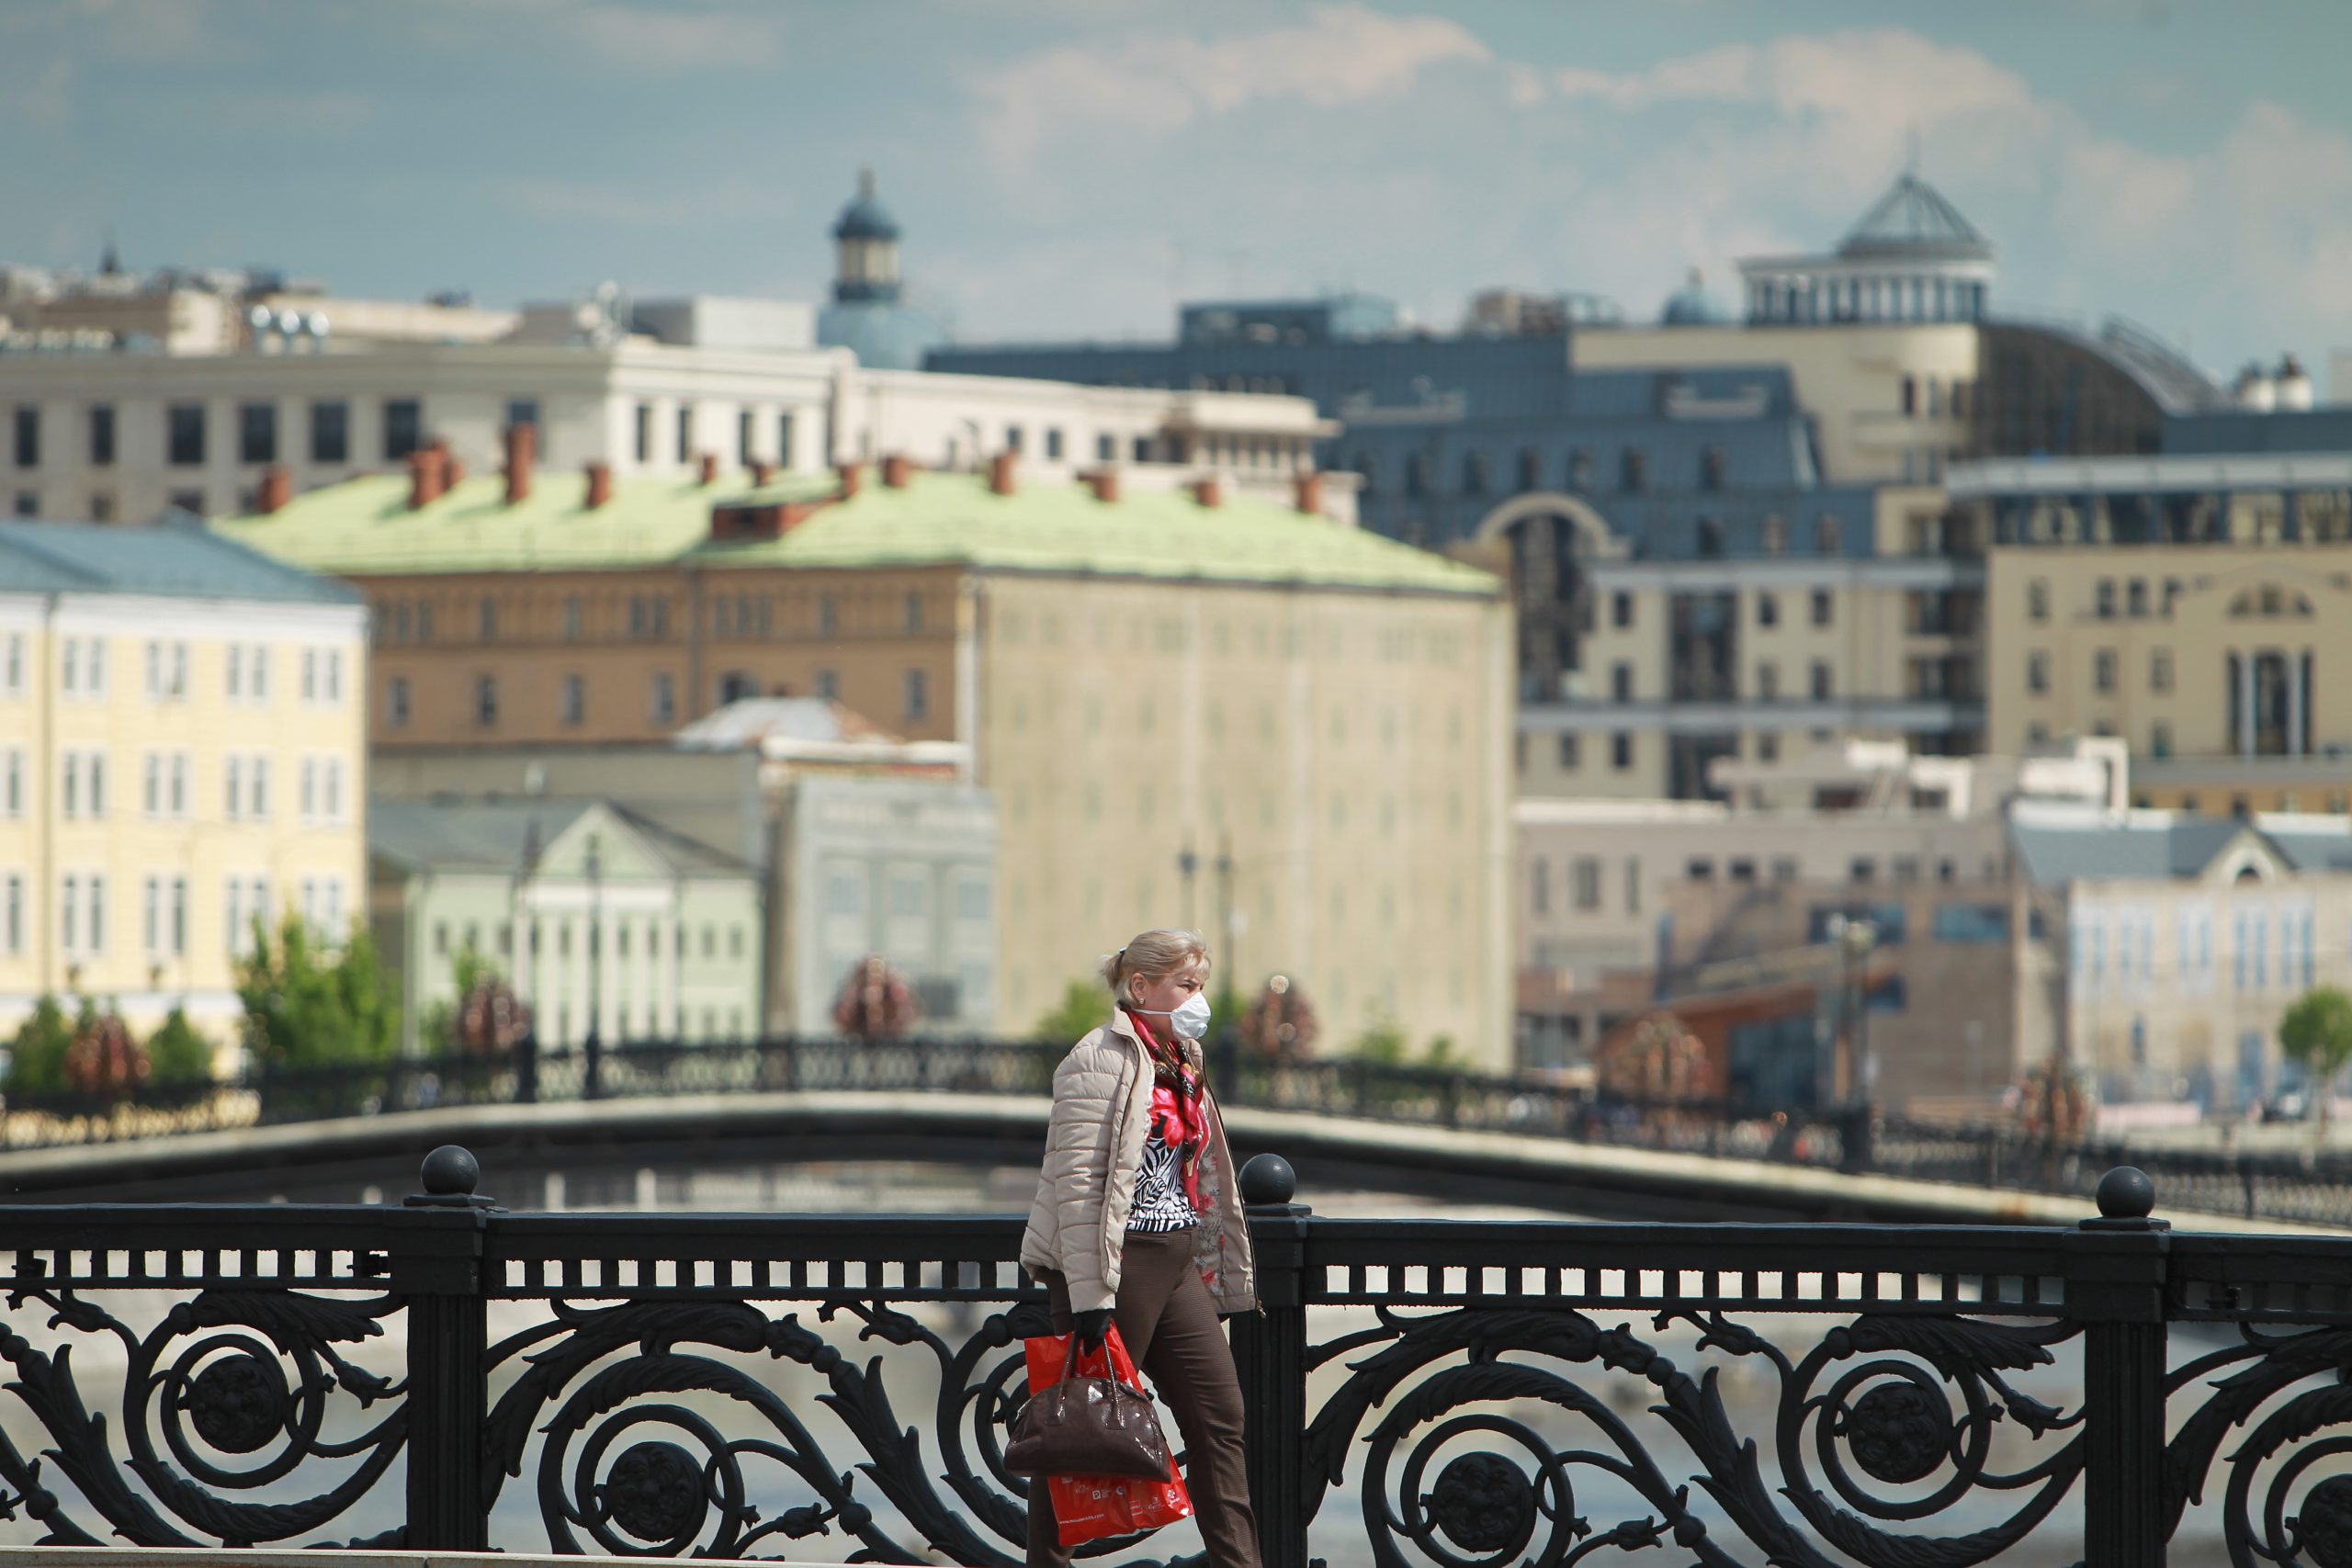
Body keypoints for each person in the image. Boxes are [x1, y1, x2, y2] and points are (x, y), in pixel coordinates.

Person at [1018, 928, 1259, 1568]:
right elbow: (1076, 1184)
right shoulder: (1095, 1058)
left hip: (1175, 1258)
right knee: (1080, 1424)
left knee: (1221, 1415)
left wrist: (1222, 1272)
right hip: (1117, 1261)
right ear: (1140, 986)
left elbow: (1203, 1175)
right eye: (1185, 983)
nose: (1196, 997)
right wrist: (1092, 1294)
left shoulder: (1183, 1059)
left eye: (1201, 984)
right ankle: (1047, 1562)